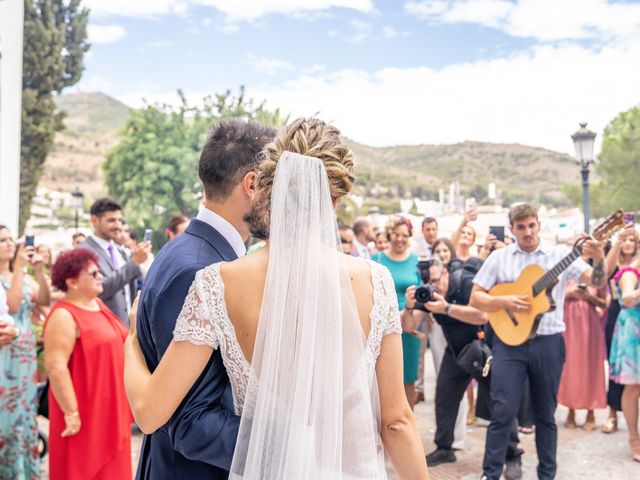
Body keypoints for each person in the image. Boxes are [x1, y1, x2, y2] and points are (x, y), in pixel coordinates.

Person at [125, 118, 429, 479]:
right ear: (334, 200)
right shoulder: (374, 282)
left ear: (268, 185)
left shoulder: (217, 284)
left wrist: (130, 344)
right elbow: (396, 422)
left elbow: (149, 413)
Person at [131, 119, 276, 480]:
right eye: (276, 186)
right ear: (253, 184)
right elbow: (191, 422)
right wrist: (283, 448)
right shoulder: (196, 269)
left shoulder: (194, 252)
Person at [470, 203, 607, 480]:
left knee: (546, 414)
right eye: (521, 227)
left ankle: (547, 475)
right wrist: (503, 300)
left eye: (531, 225)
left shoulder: (560, 256)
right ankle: (491, 474)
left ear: (539, 225)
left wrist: (600, 257)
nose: (527, 232)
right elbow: (476, 297)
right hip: (509, 343)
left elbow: (596, 281)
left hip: (548, 343)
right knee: (502, 410)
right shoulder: (500, 258)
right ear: (512, 229)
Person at [408, 259, 523, 478]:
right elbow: (410, 325)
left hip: (483, 348)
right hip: (457, 352)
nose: (433, 286)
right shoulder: (429, 294)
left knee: (500, 401)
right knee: (444, 396)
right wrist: (409, 306)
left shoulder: (465, 281)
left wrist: (447, 308)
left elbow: (483, 315)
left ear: (445, 273)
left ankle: (512, 455)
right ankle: (444, 448)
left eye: (435, 280)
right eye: (428, 282)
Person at [44, 249, 132, 479]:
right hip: (85, 412)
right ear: (72, 281)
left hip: (110, 407)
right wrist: (71, 412)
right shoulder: (63, 315)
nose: (101, 276)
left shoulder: (97, 305)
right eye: (94, 273)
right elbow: (56, 367)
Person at [0, 226, 51, 479]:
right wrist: (19, 268)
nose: (9, 244)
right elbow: (13, 304)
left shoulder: (23, 274)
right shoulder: (6, 277)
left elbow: (43, 300)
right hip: (6, 352)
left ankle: (25, 467)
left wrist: (40, 271)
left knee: (25, 409)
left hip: (27, 351)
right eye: (2, 240)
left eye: (11, 239)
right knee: (7, 410)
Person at [372, 216, 422, 409]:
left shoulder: (417, 261)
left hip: (409, 324)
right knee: (381, 375)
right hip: (382, 323)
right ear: (389, 234)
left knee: (408, 377)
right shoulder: (376, 259)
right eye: (396, 234)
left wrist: (417, 317)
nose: (400, 239)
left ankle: (408, 420)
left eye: (404, 235)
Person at [77, 198, 151, 326]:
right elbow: (99, 290)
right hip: (102, 327)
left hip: (129, 329)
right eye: (111, 220)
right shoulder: (83, 251)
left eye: (119, 220)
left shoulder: (120, 250)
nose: (117, 225)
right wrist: (134, 263)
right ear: (94, 220)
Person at [602, 227, 639, 433]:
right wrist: (615, 243)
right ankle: (612, 414)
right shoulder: (617, 265)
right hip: (620, 314)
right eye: (624, 240)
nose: (627, 244)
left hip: (636, 315)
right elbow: (605, 274)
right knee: (617, 367)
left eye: (631, 240)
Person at [557, 280, 606, 430]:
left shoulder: (596, 276)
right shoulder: (565, 274)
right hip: (568, 324)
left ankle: (590, 412)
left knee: (591, 366)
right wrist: (569, 294)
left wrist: (588, 297)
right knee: (569, 365)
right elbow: (550, 297)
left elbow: (604, 303)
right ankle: (570, 410)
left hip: (590, 325)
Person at [609, 259, 640, 461]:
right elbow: (628, 299)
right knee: (633, 388)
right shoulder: (630, 273)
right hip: (633, 335)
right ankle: (634, 438)